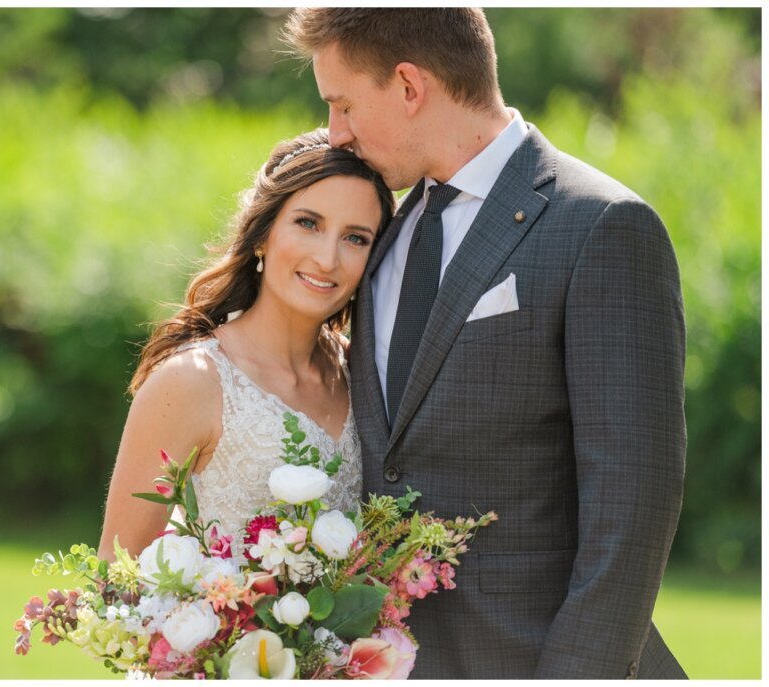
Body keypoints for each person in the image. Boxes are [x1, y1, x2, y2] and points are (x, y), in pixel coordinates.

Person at [283, 8, 686, 680]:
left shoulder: (603, 227)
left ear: (410, 86)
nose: (336, 132)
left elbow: (631, 513)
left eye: (343, 103)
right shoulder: (378, 227)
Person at [98, 129, 395, 562]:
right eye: (308, 223)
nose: (328, 259)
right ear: (262, 234)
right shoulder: (191, 381)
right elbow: (118, 571)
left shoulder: (363, 371)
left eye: (356, 238)